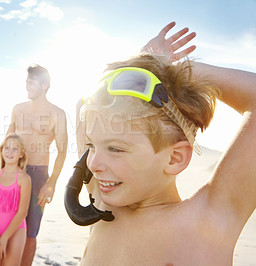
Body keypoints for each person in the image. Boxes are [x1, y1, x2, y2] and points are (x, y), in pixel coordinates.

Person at [75, 22, 256, 265]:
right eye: (91, 146)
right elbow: (81, 108)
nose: (93, 163)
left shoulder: (207, 222)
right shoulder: (104, 204)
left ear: (174, 158)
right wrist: (143, 63)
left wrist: (179, 72)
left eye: (115, 148)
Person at [0, 64, 68, 265]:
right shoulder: (18, 109)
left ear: (44, 85)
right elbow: (6, 141)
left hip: (38, 174)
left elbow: (62, 151)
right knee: (3, 222)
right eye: (26, 81)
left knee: (31, 231)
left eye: (31, 82)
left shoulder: (56, 113)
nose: (26, 85)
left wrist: (51, 183)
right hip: (11, 170)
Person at [0, 133, 31, 265]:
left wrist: (5, 238)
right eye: (7, 148)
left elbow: (23, 212)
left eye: (15, 149)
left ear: (21, 154)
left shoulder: (24, 179)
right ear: (1, 150)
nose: (10, 152)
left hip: (16, 231)